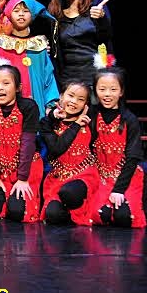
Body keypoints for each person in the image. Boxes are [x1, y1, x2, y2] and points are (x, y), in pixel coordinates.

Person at [0, 65, 44, 223]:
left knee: (17, 211)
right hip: (0, 172)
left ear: (18, 87)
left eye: (6, 83)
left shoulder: (28, 106)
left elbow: (28, 144)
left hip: (25, 170)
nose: (0, 88)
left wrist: (22, 178)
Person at [0, 0, 60, 117]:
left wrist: (51, 104)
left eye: (26, 11)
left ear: (32, 14)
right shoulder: (1, 44)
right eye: (16, 11)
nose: (21, 14)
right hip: (8, 109)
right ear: (9, 14)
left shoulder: (39, 46)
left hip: (36, 104)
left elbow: (48, 77)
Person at [89, 67, 146, 228]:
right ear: (95, 91)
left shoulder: (130, 119)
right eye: (102, 89)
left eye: (113, 89)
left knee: (124, 217)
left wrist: (119, 190)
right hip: (99, 177)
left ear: (121, 92)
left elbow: (133, 157)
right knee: (100, 215)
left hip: (125, 176)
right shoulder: (91, 115)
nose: (107, 94)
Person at [38, 80, 100, 225]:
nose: (74, 102)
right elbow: (56, 148)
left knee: (69, 193)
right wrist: (75, 124)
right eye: (70, 96)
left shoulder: (90, 120)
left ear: (86, 105)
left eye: (80, 99)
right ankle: (71, 212)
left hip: (84, 175)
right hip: (58, 177)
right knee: (52, 214)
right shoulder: (47, 123)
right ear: (61, 96)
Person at [47, 0, 113, 88]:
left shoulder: (96, 6)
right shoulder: (54, 13)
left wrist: (101, 18)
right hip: (68, 80)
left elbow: (106, 37)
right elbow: (55, 49)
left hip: (96, 78)